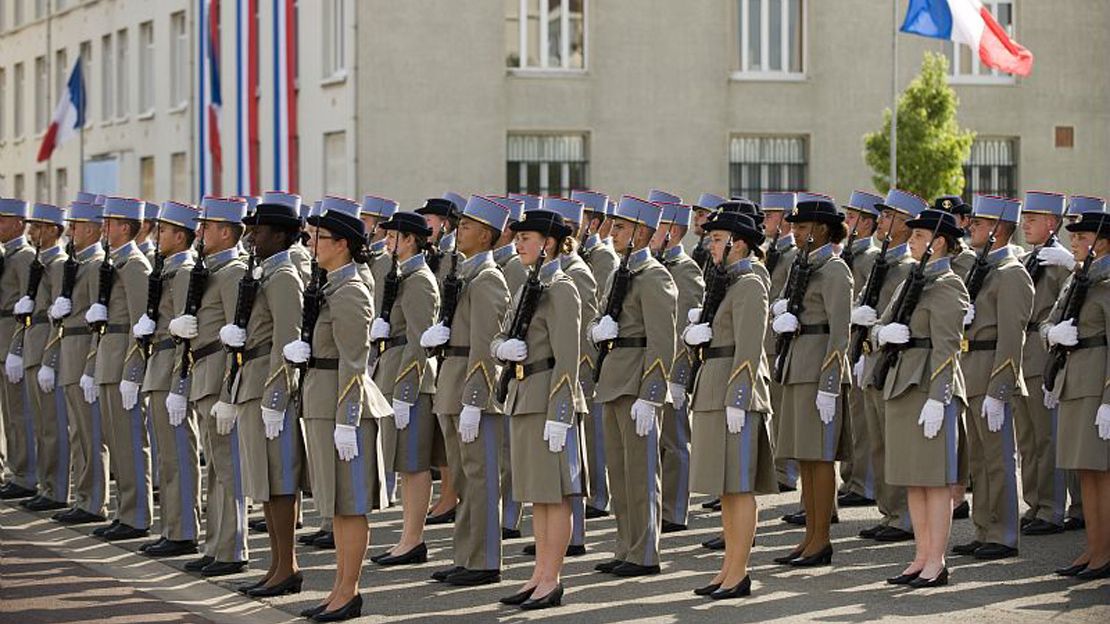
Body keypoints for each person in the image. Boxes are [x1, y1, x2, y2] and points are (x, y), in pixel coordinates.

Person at [284, 200, 391, 621]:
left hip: (343, 407)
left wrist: (347, 423)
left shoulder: (349, 292)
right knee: (336, 505)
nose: (310, 244)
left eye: (318, 239)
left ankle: (349, 592)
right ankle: (338, 590)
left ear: (343, 244)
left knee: (350, 504)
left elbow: (354, 362)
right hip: (323, 400)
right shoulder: (330, 284)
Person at [873, 208, 970, 588]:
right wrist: (885, 334)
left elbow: (948, 348)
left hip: (929, 389)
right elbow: (882, 323)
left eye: (917, 236)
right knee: (914, 480)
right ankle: (920, 555)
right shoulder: (909, 279)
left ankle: (937, 561)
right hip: (902, 385)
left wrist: (939, 397)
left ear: (939, 241)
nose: (910, 241)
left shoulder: (948, 284)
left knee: (936, 482)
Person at [491, 208, 583, 610]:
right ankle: (538, 575)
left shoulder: (562, 288)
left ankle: (551, 579)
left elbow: (569, 357)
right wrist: (499, 350)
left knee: (555, 495)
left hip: (548, 397)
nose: (518, 243)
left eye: (526, 238)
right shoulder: (531, 283)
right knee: (538, 495)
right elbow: (501, 334)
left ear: (548, 243)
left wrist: (561, 413)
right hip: (525, 395)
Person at [683, 210, 774, 599]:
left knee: (738, 487)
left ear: (738, 242)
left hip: (735, 393)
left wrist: (738, 399)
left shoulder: (751, 283)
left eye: (717, 238)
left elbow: (750, 349)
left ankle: (739, 572)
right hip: (713, 386)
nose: (710, 245)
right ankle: (727, 569)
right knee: (725, 488)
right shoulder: (727, 281)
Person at [222, 192, 308, 595]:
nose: (251, 236)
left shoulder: (285, 276)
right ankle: (277, 564)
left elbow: (288, 345)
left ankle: (286, 566)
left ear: (281, 235)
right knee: (267, 484)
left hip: (269, 388)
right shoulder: (266, 272)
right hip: (252, 381)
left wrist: (276, 399)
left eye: (259, 230)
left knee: (280, 483)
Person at [424, 195, 512, 586]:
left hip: (470, 385)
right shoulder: (464, 272)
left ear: (487, 235)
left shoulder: (489, 279)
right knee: (461, 478)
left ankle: (485, 561)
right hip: (451, 379)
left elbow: (486, 346)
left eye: (468, 226)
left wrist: (476, 400)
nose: (460, 231)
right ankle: (467, 555)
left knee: (479, 476)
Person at [589, 195, 678, 577]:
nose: (614, 233)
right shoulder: (616, 272)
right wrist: (596, 330)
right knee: (620, 474)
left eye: (622, 227)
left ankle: (645, 552)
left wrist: (651, 393)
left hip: (637, 383)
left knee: (641, 473)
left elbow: (663, 341)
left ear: (643, 232)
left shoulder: (656, 276)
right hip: (612, 379)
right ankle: (625, 545)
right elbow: (600, 315)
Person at [769, 195, 851, 566]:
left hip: (818, 370)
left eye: (801, 228)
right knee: (805, 457)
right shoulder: (803, 264)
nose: (795, 233)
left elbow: (840, 332)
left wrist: (830, 382)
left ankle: (821, 539)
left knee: (820, 460)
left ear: (821, 230)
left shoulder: (834, 269)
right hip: (797, 365)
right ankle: (809, 536)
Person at [169, 196, 250, 576]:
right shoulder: (213, 269)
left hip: (219, 379)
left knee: (228, 469)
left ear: (225, 232)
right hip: (204, 374)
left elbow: (241, 339)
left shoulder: (233, 272)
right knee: (216, 468)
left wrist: (228, 395)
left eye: (205, 227)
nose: (197, 232)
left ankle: (232, 549)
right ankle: (216, 545)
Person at [951, 195, 1034, 562]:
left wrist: (1001, 389)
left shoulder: (1012, 274)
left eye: (980, 225)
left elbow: (1012, 338)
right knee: (980, 460)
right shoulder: (982, 269)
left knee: (999, 458)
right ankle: (984, 526)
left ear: (998, 231)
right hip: (972, 371)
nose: (971, 229)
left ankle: (1003, 533)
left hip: (992, 372)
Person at [851, 190, 926, 543]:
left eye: (888, 215)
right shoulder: (882, 260)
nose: (880, 220)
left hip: (893, 363)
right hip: (872, 358)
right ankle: (890, 511)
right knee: (879, 442)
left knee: (896, 443)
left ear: (905, 224)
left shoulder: (909, 268)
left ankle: (903, 515)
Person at [81, 197, 154, 541]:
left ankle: (138, 515)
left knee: (130, 442)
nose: (104, 230)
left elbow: (142, 325)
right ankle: (126, 510)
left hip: (124, 364)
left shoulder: (136, 265)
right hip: (109, 360)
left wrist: (133, 373)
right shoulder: (117, 262)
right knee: (118, 441)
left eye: (109, 223)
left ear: (126, 227)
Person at [1043, 208, 1110, 580]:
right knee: (1087, 473)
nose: (1075, 244)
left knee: (1103, 473)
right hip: (1073, 382)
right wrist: (1052, 335)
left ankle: (1104, 553)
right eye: (1074, 238)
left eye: (1082, 239)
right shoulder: (1077, 280)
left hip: (1096, 386)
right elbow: (1047, 322)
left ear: (1103, 243)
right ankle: (1095, 547)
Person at [370, 210, 440, 565]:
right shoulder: (402, 275)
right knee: (405, 463)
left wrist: (406, 391)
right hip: (394, 374)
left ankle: (413, 540)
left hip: (409, 382)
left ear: (410, 239)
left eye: (393, 236)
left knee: (414, 464)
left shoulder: (419, 280)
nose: (386, 241)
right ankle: (407, 537)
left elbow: (419, 342)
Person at [133, 201, 203, 558]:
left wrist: (179, 385)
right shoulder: (169, 267)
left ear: (181, 235)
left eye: (163, 230)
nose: (156, 235)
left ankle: (184, 530)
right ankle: (173, 527)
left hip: (173, 368)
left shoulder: (186, 270)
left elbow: (188, 333)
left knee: (178, 453)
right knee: (168, 456)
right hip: (159, 365)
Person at [1014, 191, 1072, 536]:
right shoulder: (1029, 259)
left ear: (1052, 223)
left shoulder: (1061, 261)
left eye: (1032, 219)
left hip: (1046, 352)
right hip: (1024, 350)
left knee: (1046, 436)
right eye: (1025, 218)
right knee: (1028, 438)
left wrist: (1070, 264)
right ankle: (1034, 502)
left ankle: (1051, 508)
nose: (1026, 225)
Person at [49, 199, 110, 524]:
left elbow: (101, 325)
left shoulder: (97, 264)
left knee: (91, 434)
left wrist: (90, 367)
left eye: (75, 226)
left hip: (83, 354)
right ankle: (84, 497)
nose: (70, 232)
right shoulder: (80, 263)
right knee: (79, 434)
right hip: (70, 352)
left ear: (91, 229)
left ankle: (93, 501)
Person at [652, 202, 705, 533]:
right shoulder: (657, 267)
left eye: (656, 228)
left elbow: (683, 332)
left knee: (674, 442)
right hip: (654, 368)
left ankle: (675, 510)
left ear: (671, 231)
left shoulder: (684, 270)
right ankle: (663, 506)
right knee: (660, 445)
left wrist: (679, 377)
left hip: (672, 370)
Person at [571, 189, 619, 519]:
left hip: (592, 352)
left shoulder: (603, 259)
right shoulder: (580, 256)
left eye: (582, 218)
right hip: (575, 348)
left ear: (596, 222)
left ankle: (599, 496)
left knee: (594, 430)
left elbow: (599, 308)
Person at [837, 191, 882, 509]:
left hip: (865, 344)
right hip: (850, 344)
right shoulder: (851, 255)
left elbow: (873, 304)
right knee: (853, 418)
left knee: (865, 423)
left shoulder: (869, 258)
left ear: (867, 223)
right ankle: (852, 477)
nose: (847, 222)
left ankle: (864, 483)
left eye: (853, 217)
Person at [761, 191, 802, 502]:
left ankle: (785, 472)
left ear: (786, 220)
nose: (764, 221)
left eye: (770, 215)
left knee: (783, 410)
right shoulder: (771, 251)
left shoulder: (793, 256)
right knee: (773, 410)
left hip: (781, 340)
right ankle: (775, 469)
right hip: (765, 340)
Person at [0, 197, 36, 502]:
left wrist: (18, 347)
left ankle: (25, 474)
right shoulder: (6, 255)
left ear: (18, 224)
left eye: (3, 220)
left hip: (12, 338)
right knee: (7, 414)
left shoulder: (24, 257)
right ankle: (12, 467)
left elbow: (28, 307)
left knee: (18, 414)